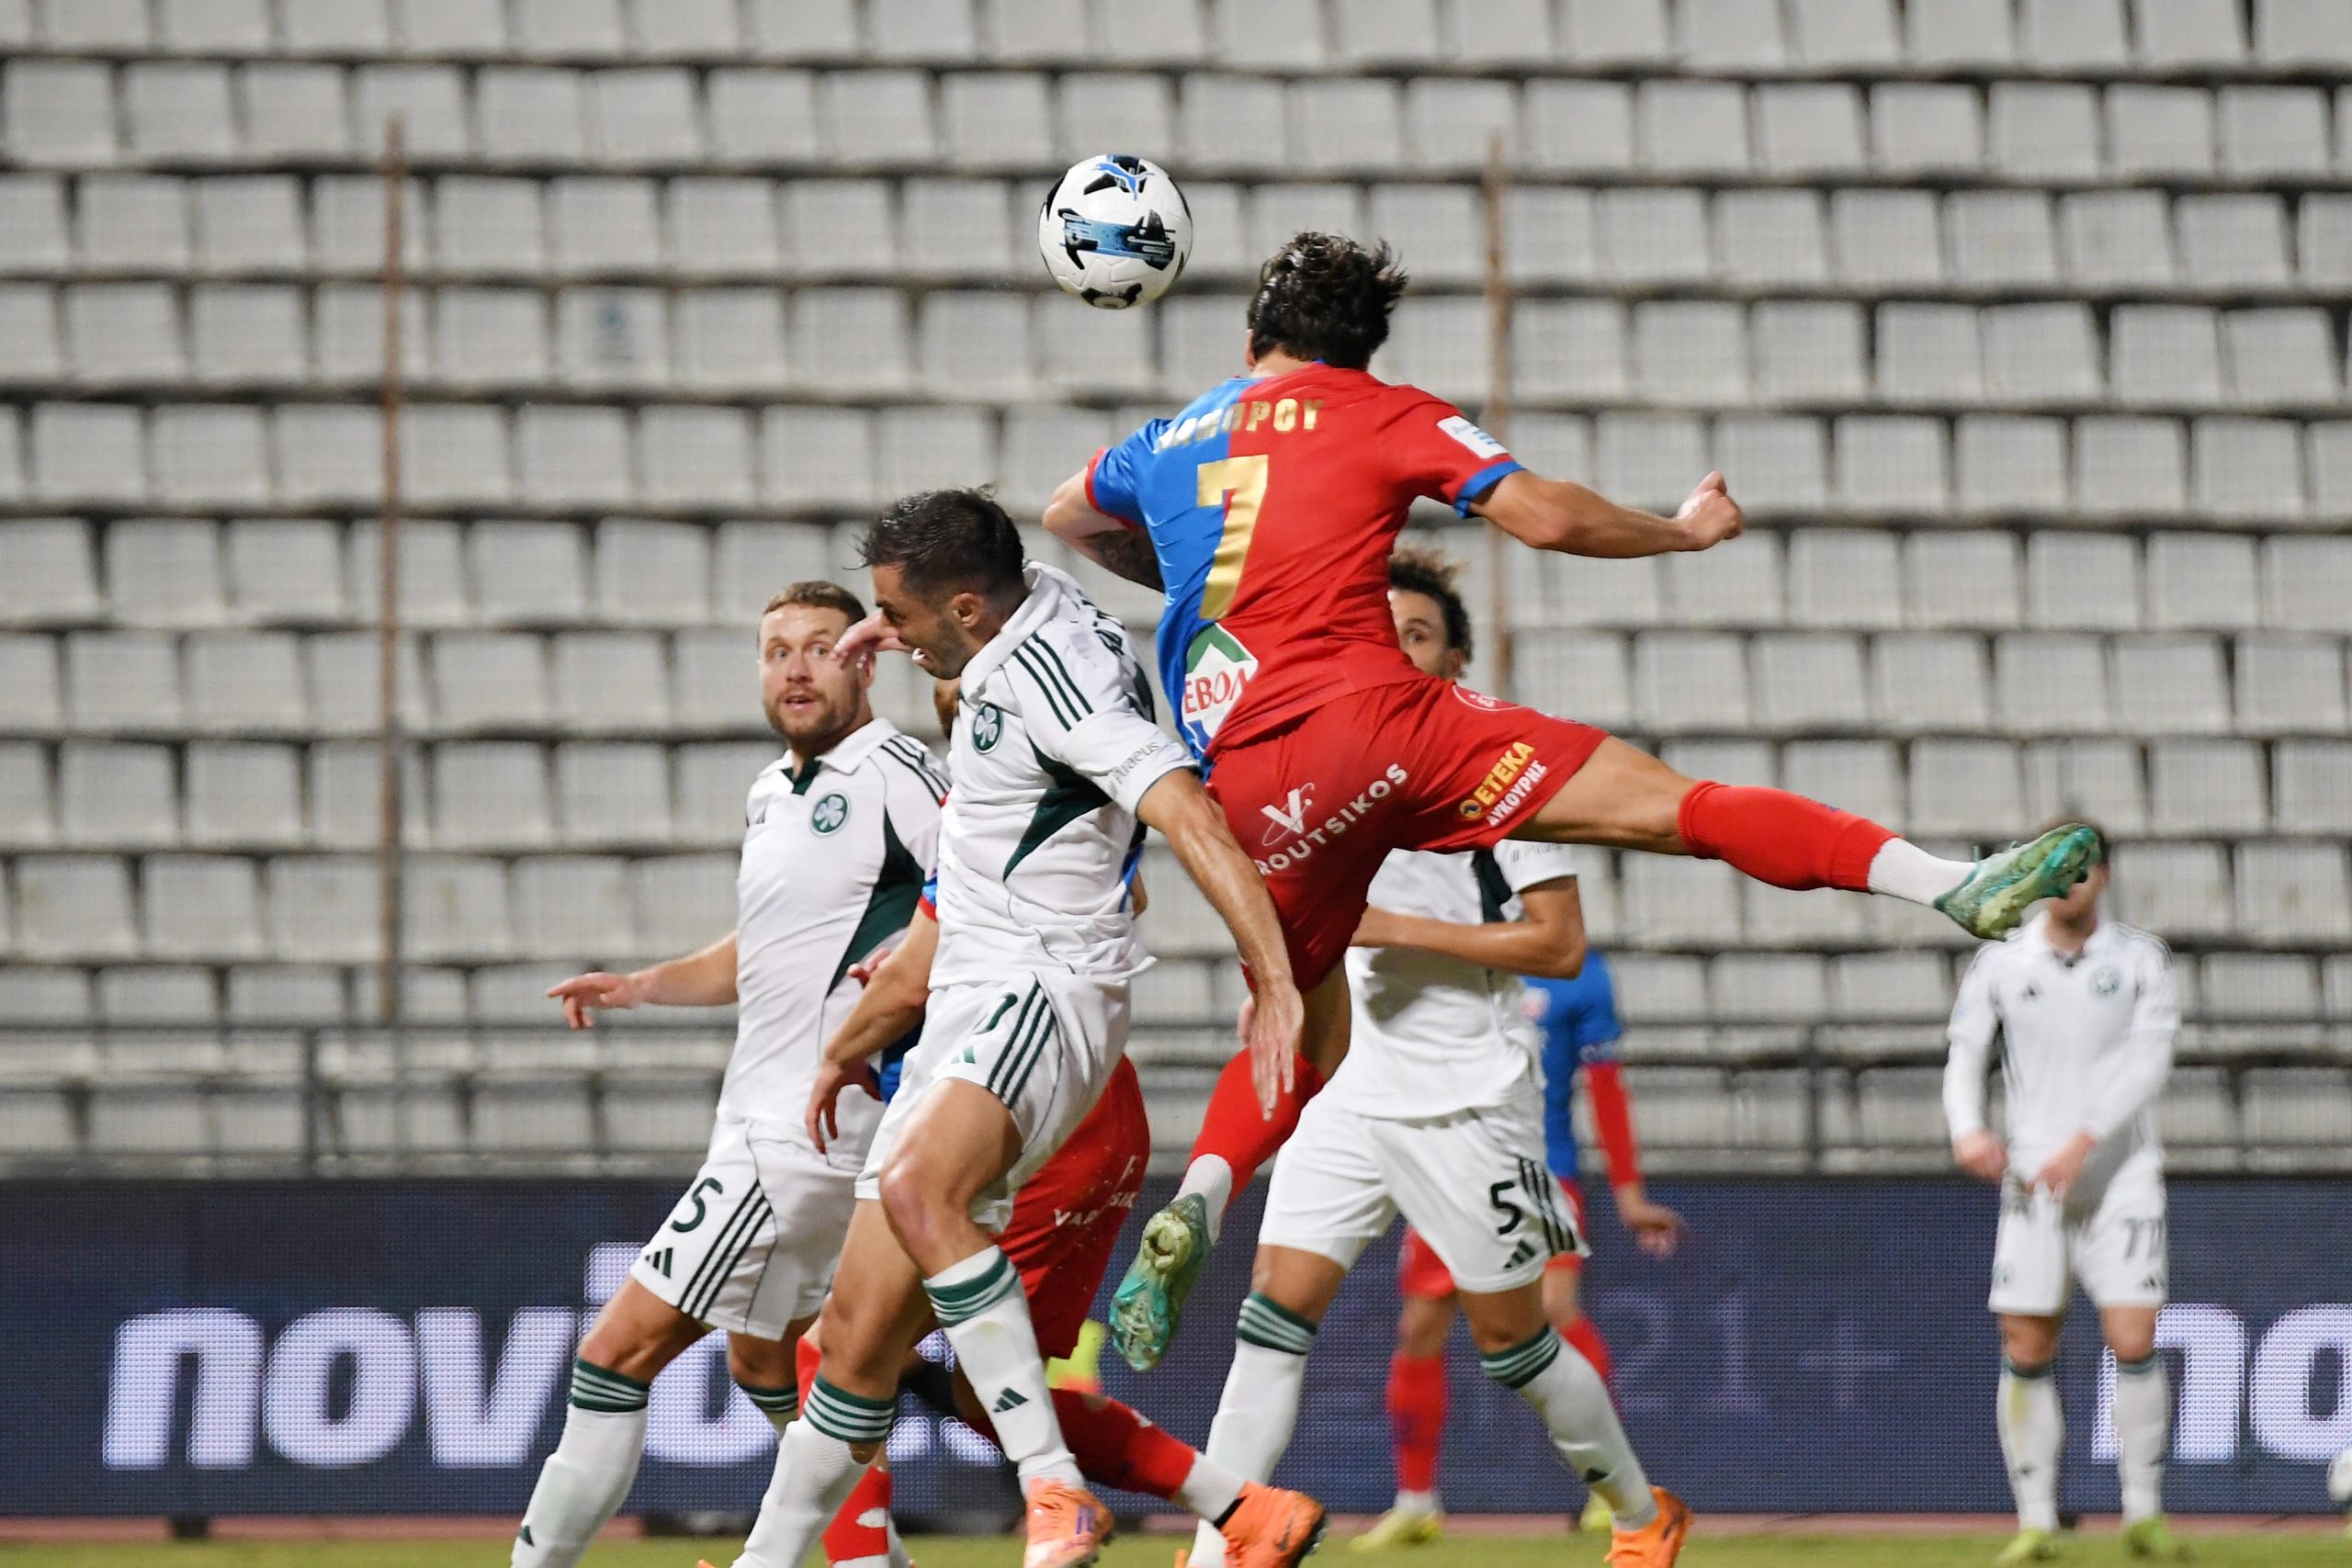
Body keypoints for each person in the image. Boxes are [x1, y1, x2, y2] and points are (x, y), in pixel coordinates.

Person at [1036, 231, 2102, 1370]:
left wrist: (1198, 572)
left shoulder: (1172, 434)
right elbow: (1541, 516)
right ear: (1362, 344)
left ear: (1252, 342)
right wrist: (1680, 531)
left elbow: (1065, 516)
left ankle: (1198, 1196)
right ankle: (1946, 882)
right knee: (1678, 806)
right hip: (1380, 723)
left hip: (1242, 774)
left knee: (1303, 1020)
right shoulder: (1382, 409)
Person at [725, 490, 1321, 1568]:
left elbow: (1185, 810)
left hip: (1043, 991)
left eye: (896, 620)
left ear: (962, 608)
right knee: (850, 1346)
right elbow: (935, 927)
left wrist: (1273, 977)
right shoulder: (1026, 606)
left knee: (917, 1193)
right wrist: (852, 1047)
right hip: (970, 1002)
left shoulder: (1059, 693)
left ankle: (1054, 1492)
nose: (886, 641)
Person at [1182, 547, 1690, 1568]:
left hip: (1470, 1096)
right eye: (1380, 631)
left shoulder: (1497, 762)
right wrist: (1277, 984)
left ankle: (1640, 1515)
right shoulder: (1320, 757)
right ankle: (1214, 1550)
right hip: (1346, 1089)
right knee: (1272, 1315)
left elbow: (1558, 945)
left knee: (1516, 1346)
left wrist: (1393, 927)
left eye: (1416, 634)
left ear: (1455, 659)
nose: (1392, 649)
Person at [511, 582, 945, 1568]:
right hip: (762, 1122)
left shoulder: (899, 774)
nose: (795, 666)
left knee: (614, 1355)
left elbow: (973, 898)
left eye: (820, 647)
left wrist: (916, 984)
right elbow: (769, 948)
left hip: (797, 1136)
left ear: (864, 660)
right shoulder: (770, 792)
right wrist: (643, 985)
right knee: (768, 1362)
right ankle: (871, 1560)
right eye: (776, 650)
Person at [799, 896, 1326, 1562]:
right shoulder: (1022, 822)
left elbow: (908, 979)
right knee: (978, 1394)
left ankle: (1035, 1499)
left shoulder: (956, 806)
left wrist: (844, 1045)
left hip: (1026, 1115)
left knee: (835, 1352)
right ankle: (1246, 1508)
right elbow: (1128, 889)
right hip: (1093, 1099)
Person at [1358, 560, 1688, 1547]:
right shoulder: (1401, 869)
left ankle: (1613, 1488)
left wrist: (1625, 1188)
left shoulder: (1568, 959)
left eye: (1419, 636)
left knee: (1543, 1316)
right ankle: (1416, 1500)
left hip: (1537, 1161)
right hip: (1435, 1143)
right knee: (1423, 1327)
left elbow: (1607, 1087)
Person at [1941, 833, 2185, 1565]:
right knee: (2026, 1343)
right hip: (2031, 1182)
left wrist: (2086, 1138)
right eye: (2055, 870)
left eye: (2080, 870)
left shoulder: (2141, 959)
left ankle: (2142, 1511)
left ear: (2103, 877)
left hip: (2122, 1179)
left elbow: (2149, 1061)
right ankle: (2038, 1519)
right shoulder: (2002, 962)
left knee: (2133, 1337)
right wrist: (1967, 1129)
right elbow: (1965, 1052)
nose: (2067, 884)